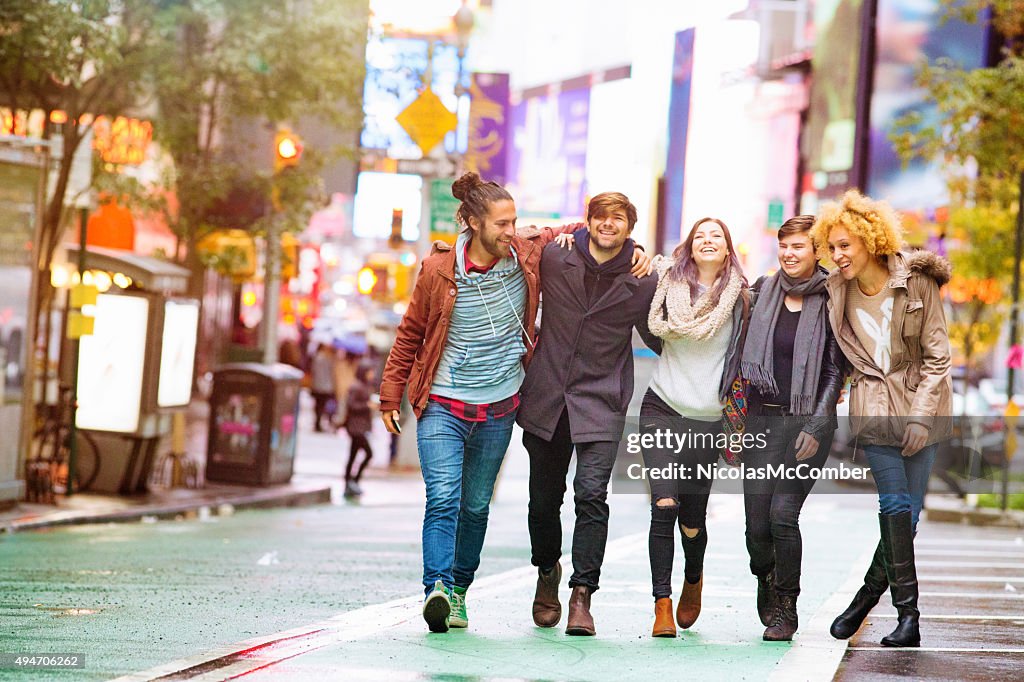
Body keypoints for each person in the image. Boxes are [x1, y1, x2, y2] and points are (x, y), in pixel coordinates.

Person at [378, 173, 651, 634]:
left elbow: (590, 232)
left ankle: (502, 591)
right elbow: (411, 332)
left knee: (491, 504)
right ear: (472, 223)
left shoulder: (531, 253)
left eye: (514, 222)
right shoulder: (446, 269)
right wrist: (391, 391)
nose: (511, 231)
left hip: (511, 403)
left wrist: (636, 250)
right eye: (501, 224)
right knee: (453, 497)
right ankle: (443, 589)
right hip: (463, 399)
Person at [810, 189, 952, 648]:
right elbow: (776, 283)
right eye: (831, 247)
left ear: (870, 240)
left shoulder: (917, 282)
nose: (837, 255)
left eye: (845, 246)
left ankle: (865, 598)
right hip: (871, 405)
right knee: (893, 504)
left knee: (907, 518)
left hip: (922, 406)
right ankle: (909, 618)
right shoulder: (835, 289)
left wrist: (919, 418)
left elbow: (937, 358)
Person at [519, 192, 658, 637]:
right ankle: (547, 572)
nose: (608, 225)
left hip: (602, 399)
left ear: (629, 227)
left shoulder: (642, 280)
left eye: (618, 219)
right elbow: (515, 242)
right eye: (601, 217)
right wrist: (555, 233)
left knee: (591, 496)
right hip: (548, 396)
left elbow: (658, 339)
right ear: (589, 221)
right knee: (543, 503)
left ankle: (582, 595)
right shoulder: (557, 259)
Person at [640, 217, 749, 639]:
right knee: (663, 506)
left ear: (727, 249)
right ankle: (662, 606)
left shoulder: (742, 298)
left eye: (716, 236)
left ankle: (694, 575)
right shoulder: (665, 285)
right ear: (689, 246)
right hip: (662, 406)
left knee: (691, 519)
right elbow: (644, 319)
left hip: (707, 420)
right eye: (699, 235)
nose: (707, 241)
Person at [739, 215, 845, 641]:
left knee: (783, 516)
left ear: (815, 251)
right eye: (784, 246)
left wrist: (817, 425)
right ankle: (765, 576)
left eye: (798, 246)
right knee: (756, 529)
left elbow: (836, 371)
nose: (789, 253)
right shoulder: (763, 291)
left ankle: (787, 606)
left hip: (807, 424)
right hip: (762, 422)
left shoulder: (834, 298)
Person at [341, 363, 375, 498]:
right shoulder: (356, 387)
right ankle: (352, 481)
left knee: (353, 455)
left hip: (361, 427)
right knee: (368, 453)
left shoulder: (365, 386)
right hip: (356, 427)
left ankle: (351, 483)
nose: (372, 374)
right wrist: (367, 406)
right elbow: (351, 405)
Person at [310, 343, 337, 432]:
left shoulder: (316, 358)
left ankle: (317, 422)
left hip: (317, 386)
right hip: (326, 387)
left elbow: (313, 371)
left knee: (318, 405)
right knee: (322, 406)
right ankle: (319, 423)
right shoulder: (328, 359)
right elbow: (331, 372)